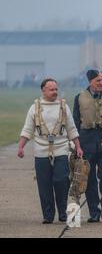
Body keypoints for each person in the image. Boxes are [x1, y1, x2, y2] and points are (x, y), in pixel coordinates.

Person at [17, 78, 83, 224]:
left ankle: (62, 213)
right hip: (41, 153)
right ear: (43, 91)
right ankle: (48, 215)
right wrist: (21, 147)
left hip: (61, 151)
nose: (55, 92)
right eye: (51, 89)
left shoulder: (63, 107)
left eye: (56, 89)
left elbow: (72, 129)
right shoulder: (34, 108)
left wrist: (78, 147)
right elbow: (28, 130)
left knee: (61, 182)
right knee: (44, 185)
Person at [73, 70, 102, 222]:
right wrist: (76, 145)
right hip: (86, 144)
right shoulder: (79, 98)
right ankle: (94, 211)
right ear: (90, 81)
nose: (101, 83)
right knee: (89, 179)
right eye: (98, 80)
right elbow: (75, 123)